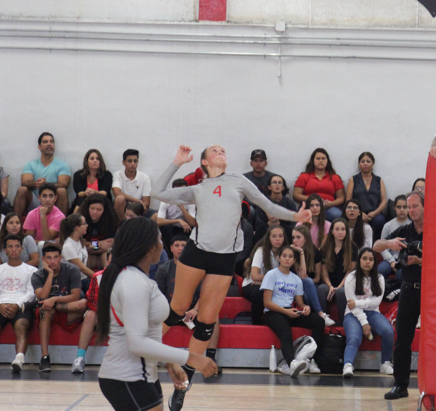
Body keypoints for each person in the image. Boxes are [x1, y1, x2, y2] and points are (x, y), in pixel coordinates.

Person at [151, 145, 311, 411]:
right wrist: (176, 163)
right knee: (177, 309)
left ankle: (184, 383)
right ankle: (144, 351)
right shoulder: (198, 187)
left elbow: (268, 205)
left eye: (223, 149)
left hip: (224, 258)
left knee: (205, 322)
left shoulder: (238, 181)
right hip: (196, 253)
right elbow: (156, 192)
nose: (221, 152)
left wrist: (296, 216)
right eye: (215, 150)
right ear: (204, 161)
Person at [96, 217, 215, 411]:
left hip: (144, 374)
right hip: (126, 376)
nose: (162, 245)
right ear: (150, 246)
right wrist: (190, 358)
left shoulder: (139, 279)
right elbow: (137, 342)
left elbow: (149, 333)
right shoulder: (132, 281)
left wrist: (168, 362)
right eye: (160, 240)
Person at [373, 190, 424, 400]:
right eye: (408, 207)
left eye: (415, 206)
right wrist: (389, 244)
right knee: (402, 339)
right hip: (409, 287)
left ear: (425, 206)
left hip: (432, 290)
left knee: (435, 339)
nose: (411, 211)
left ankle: (435, 385)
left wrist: (421, 261)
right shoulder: (404, 230)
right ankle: (400, 385)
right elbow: (376, 245)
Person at [156, 235, 221, 371]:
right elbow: (158, 296)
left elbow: (205, 295)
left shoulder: (198, 270)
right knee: (154, 316)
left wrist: (196, 310)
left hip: (191, 312)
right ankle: (152, 354)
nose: (180, 249)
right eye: (177, 245)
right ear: (171, 248)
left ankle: (210, 357)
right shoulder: (163, 269)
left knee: (213, 316)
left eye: (184, 246)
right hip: (171, 310)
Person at [261, 245, 325, 376]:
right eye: (284, 256)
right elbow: (266, 302)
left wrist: (305, 308)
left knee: (319, 321)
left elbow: (300, 303)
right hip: (273, 312)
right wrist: (286, 312)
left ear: (294, 261)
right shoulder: (271, 274)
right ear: (279, 258)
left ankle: (311, 360)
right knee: (286, 332)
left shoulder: (296, 279)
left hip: (290, 311)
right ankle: (291, 363)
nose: (287, 259)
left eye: (290, 257)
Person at [32, 242, 87, 371]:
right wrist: (50, 274)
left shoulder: (72, 270)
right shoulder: (38, 275)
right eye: (49, 258)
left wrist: (54, 301)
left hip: (65, 309)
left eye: (56, 257)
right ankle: (45, 357)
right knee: (45, 311)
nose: (53, 261)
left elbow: (75, 296)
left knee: (83, 303)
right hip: (47, 311)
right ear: (43, 260)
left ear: (61, 257)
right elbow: (42, 298)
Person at [342, 247, 394, 378]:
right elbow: (351, 305)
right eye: (364, 258)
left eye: (371, 259)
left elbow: (375, 302)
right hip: (352, 314)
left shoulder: (379, 278)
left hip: (372, 312)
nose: (367, 262)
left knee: (388, 331)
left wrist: (358, 303)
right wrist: (364, 323)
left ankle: (385, 363)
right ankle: (347, 365)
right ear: (359, 260)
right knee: (354, 338)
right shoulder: (351, 278)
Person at [0, 234, 37, 373]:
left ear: (22, 249)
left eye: (17, 246)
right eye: (10, 246)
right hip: (2, 305)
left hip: (22, 306)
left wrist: (16, 305)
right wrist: (0, 305)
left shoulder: (31, 270)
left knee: (21, 326)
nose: (14, 249)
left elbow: (31, 293)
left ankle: (19, 359)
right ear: (5, 250)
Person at [71, 249, 111, 374]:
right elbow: (92, 301)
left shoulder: (129, 278)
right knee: (89, 315)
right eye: (112, 261)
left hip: (122, 316)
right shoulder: (97, 276)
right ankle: (79, 358)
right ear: (107, 262)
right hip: (103, 315)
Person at [14, 132, 71, 217]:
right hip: (36, 200)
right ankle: (15, 223)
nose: (49, 144)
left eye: (51, 142)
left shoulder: (62, 165)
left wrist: (46, 185)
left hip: (53, 201)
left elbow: (64, 184)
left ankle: (62, 226)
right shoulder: (30, 165)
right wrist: (36, 184)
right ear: (39, 146)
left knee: (62, 191)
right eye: (45, 142)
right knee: (22, 189)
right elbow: (25, 182)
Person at [290, 225, 335, 326]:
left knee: (308, 283)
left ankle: (317, 315)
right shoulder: (290, 252)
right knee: (306, 281)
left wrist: (306, 281)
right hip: (293, 286)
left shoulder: (315, 252)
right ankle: (321, 314)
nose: (295, 240)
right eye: (293, 237)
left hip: (310, 286)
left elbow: (317, 278)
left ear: (306, 239)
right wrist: (300, 253)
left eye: (298, 237)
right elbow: (301, 276)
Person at [242, 226, 286, 325]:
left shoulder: (285, 253)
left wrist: (266, 282)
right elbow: (255, 276)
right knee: (259, 293)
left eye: (280, 236)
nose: (277, 239)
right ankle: (256, 324)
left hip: (271, 286)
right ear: (268, 238)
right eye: (274, 236)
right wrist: (271, 281)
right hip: (251, 285)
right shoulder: (261, 251)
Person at [318, 218, 358, 325]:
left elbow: (349, 272)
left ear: (346, 231)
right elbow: (324, 272)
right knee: (322, 289)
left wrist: (339, 287)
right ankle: (323, 320)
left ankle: (343, 321)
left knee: (341, 292)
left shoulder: (352, 247)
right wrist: (330, 286)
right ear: (332, 231)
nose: (340, 232)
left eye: (343, 229)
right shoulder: (325, 248)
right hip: (329, 282)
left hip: (345, 283)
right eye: (337, 229)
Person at [293, 148, 345, 221]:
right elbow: (296, 195)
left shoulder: (335, 177)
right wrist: (313, 200)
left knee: (337, 215)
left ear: (327, 161)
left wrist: (332, 203)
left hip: (328, 208)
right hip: (309, 206)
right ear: (313, 161)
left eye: (323, 158)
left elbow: (341, 197)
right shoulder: (304, 176)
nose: (321, 161)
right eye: (318, 158)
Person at [346, 152, 387, 239]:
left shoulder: (379, 180)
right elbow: (348, 200)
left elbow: (384, 201)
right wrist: (360, 213)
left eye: (368, 161)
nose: (365, 164)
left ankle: (375, 248)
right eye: (362, 161)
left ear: (373, 163)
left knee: (379, 221)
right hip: (357, 212)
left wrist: (375, 213)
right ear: (359, 163)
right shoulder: (353, 179)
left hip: (375, 213)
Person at [153, 178, 197, 251]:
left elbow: (192, 222)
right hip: (171, 226)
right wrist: (178, 220)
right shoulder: (166, 200)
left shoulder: (191, 201)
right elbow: (159, 221)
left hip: (184, 227)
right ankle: (170, 253)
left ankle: (189, 252)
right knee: (166, 227)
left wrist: (182, 207)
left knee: (193, 229)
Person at [79, 195, 119, 271]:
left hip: (102, 254)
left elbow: (108, 245)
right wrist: (99, 244)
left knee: (107, 258)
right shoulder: (81, 220)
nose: (95, 212)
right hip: (89, 254)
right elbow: (80, 243)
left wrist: (90, 245)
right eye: (92, 208)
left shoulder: (110, 221)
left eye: (99, 210)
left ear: (104, 210)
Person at [254, 174, 298, 241]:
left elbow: (293, 225)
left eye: (280, 183)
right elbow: (258, 224)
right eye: (274, 182)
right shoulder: (262, 203)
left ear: (283, 187)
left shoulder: (290, 203)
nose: (277, 185)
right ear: (269, 187)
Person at [112, 149, 152, 221]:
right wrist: (138, 201)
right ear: (123, 162)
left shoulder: (144, 177)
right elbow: (117, 193)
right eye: (129, 161)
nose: (133, 164)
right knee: (119, 199)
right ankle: (120, 228)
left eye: (135, 161)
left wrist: (139, 204)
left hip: (139, 207)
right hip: (124, 206)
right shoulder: (117, 175)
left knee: (156, 216)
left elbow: (146, 203)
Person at [378, 195, 411, 279]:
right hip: (389, 259)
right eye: (399, 207)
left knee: (401, 273)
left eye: (405, 207)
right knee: (379, 271)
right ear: (394, 208)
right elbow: (382, 247)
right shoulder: (388, 226)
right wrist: (392, 261)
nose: (402, 210)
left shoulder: (412, 225)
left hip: (405, 260)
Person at [60, 213, 93, 280]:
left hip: (83, 278)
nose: (87, 225)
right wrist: (98, 278)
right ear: (77, 228)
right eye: (84, 223)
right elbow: (82, 268)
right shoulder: (68, 246)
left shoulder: (80, 241)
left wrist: (97, 246)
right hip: (73, 282)